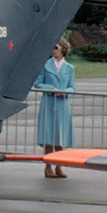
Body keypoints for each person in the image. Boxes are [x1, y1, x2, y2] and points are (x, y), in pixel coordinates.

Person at [35, 39, 75, 178]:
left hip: (62, 105)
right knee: (48, 137)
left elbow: (72, 87)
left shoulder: (70, 68)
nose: (53, 50)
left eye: (55, 47)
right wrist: (51, 89)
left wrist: (65, 92)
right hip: (49, 104)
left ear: (63, 49)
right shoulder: (45, 65)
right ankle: (48, 167)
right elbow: (38, 84)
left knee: (60, 137)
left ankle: (59, 166)